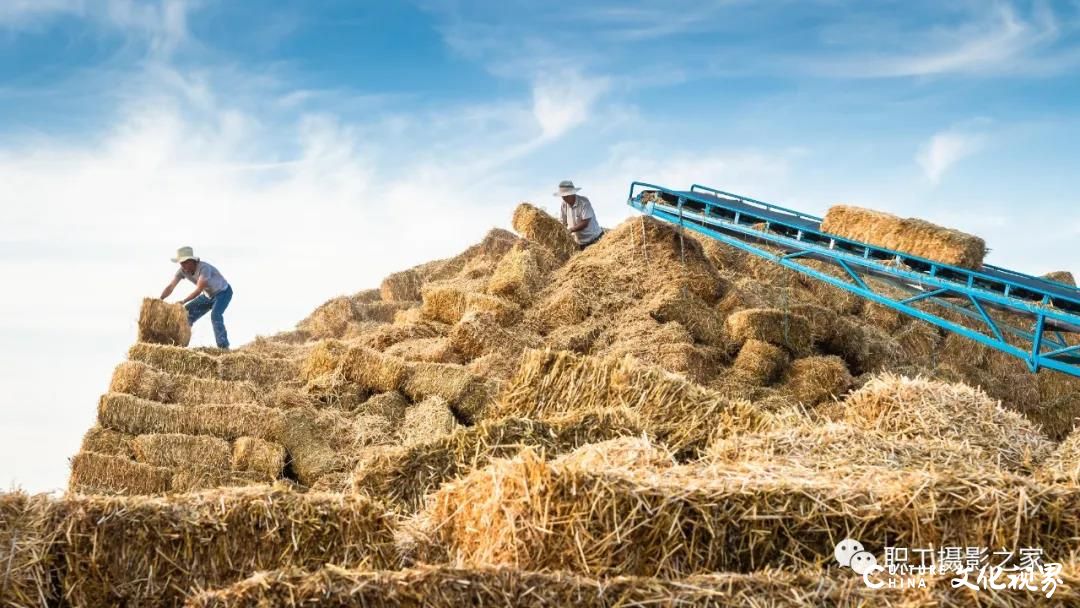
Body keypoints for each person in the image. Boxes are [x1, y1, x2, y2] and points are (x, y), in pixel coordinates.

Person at [160, 246, 233, 349]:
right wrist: (160, 300)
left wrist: (183, 301)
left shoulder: (204, 269)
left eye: (184, 262)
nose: (182, 265)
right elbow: (171, 286)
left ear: (192, 261)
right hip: (208, 296)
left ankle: (224, 347)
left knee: (215, 315)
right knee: (186, 314)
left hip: (223, 293)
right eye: (180, 263)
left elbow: (199, 290)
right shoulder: (182, 271)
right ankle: (181, 346)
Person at [554, 179, 604, 250]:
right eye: (563, 196)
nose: (564, 198)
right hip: (580, 243)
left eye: (566, 196)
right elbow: (563, 222)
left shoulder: (584, 202)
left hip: (595, 240)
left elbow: (585, 223)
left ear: (572, 193)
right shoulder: (564, 205)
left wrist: (570, 230)